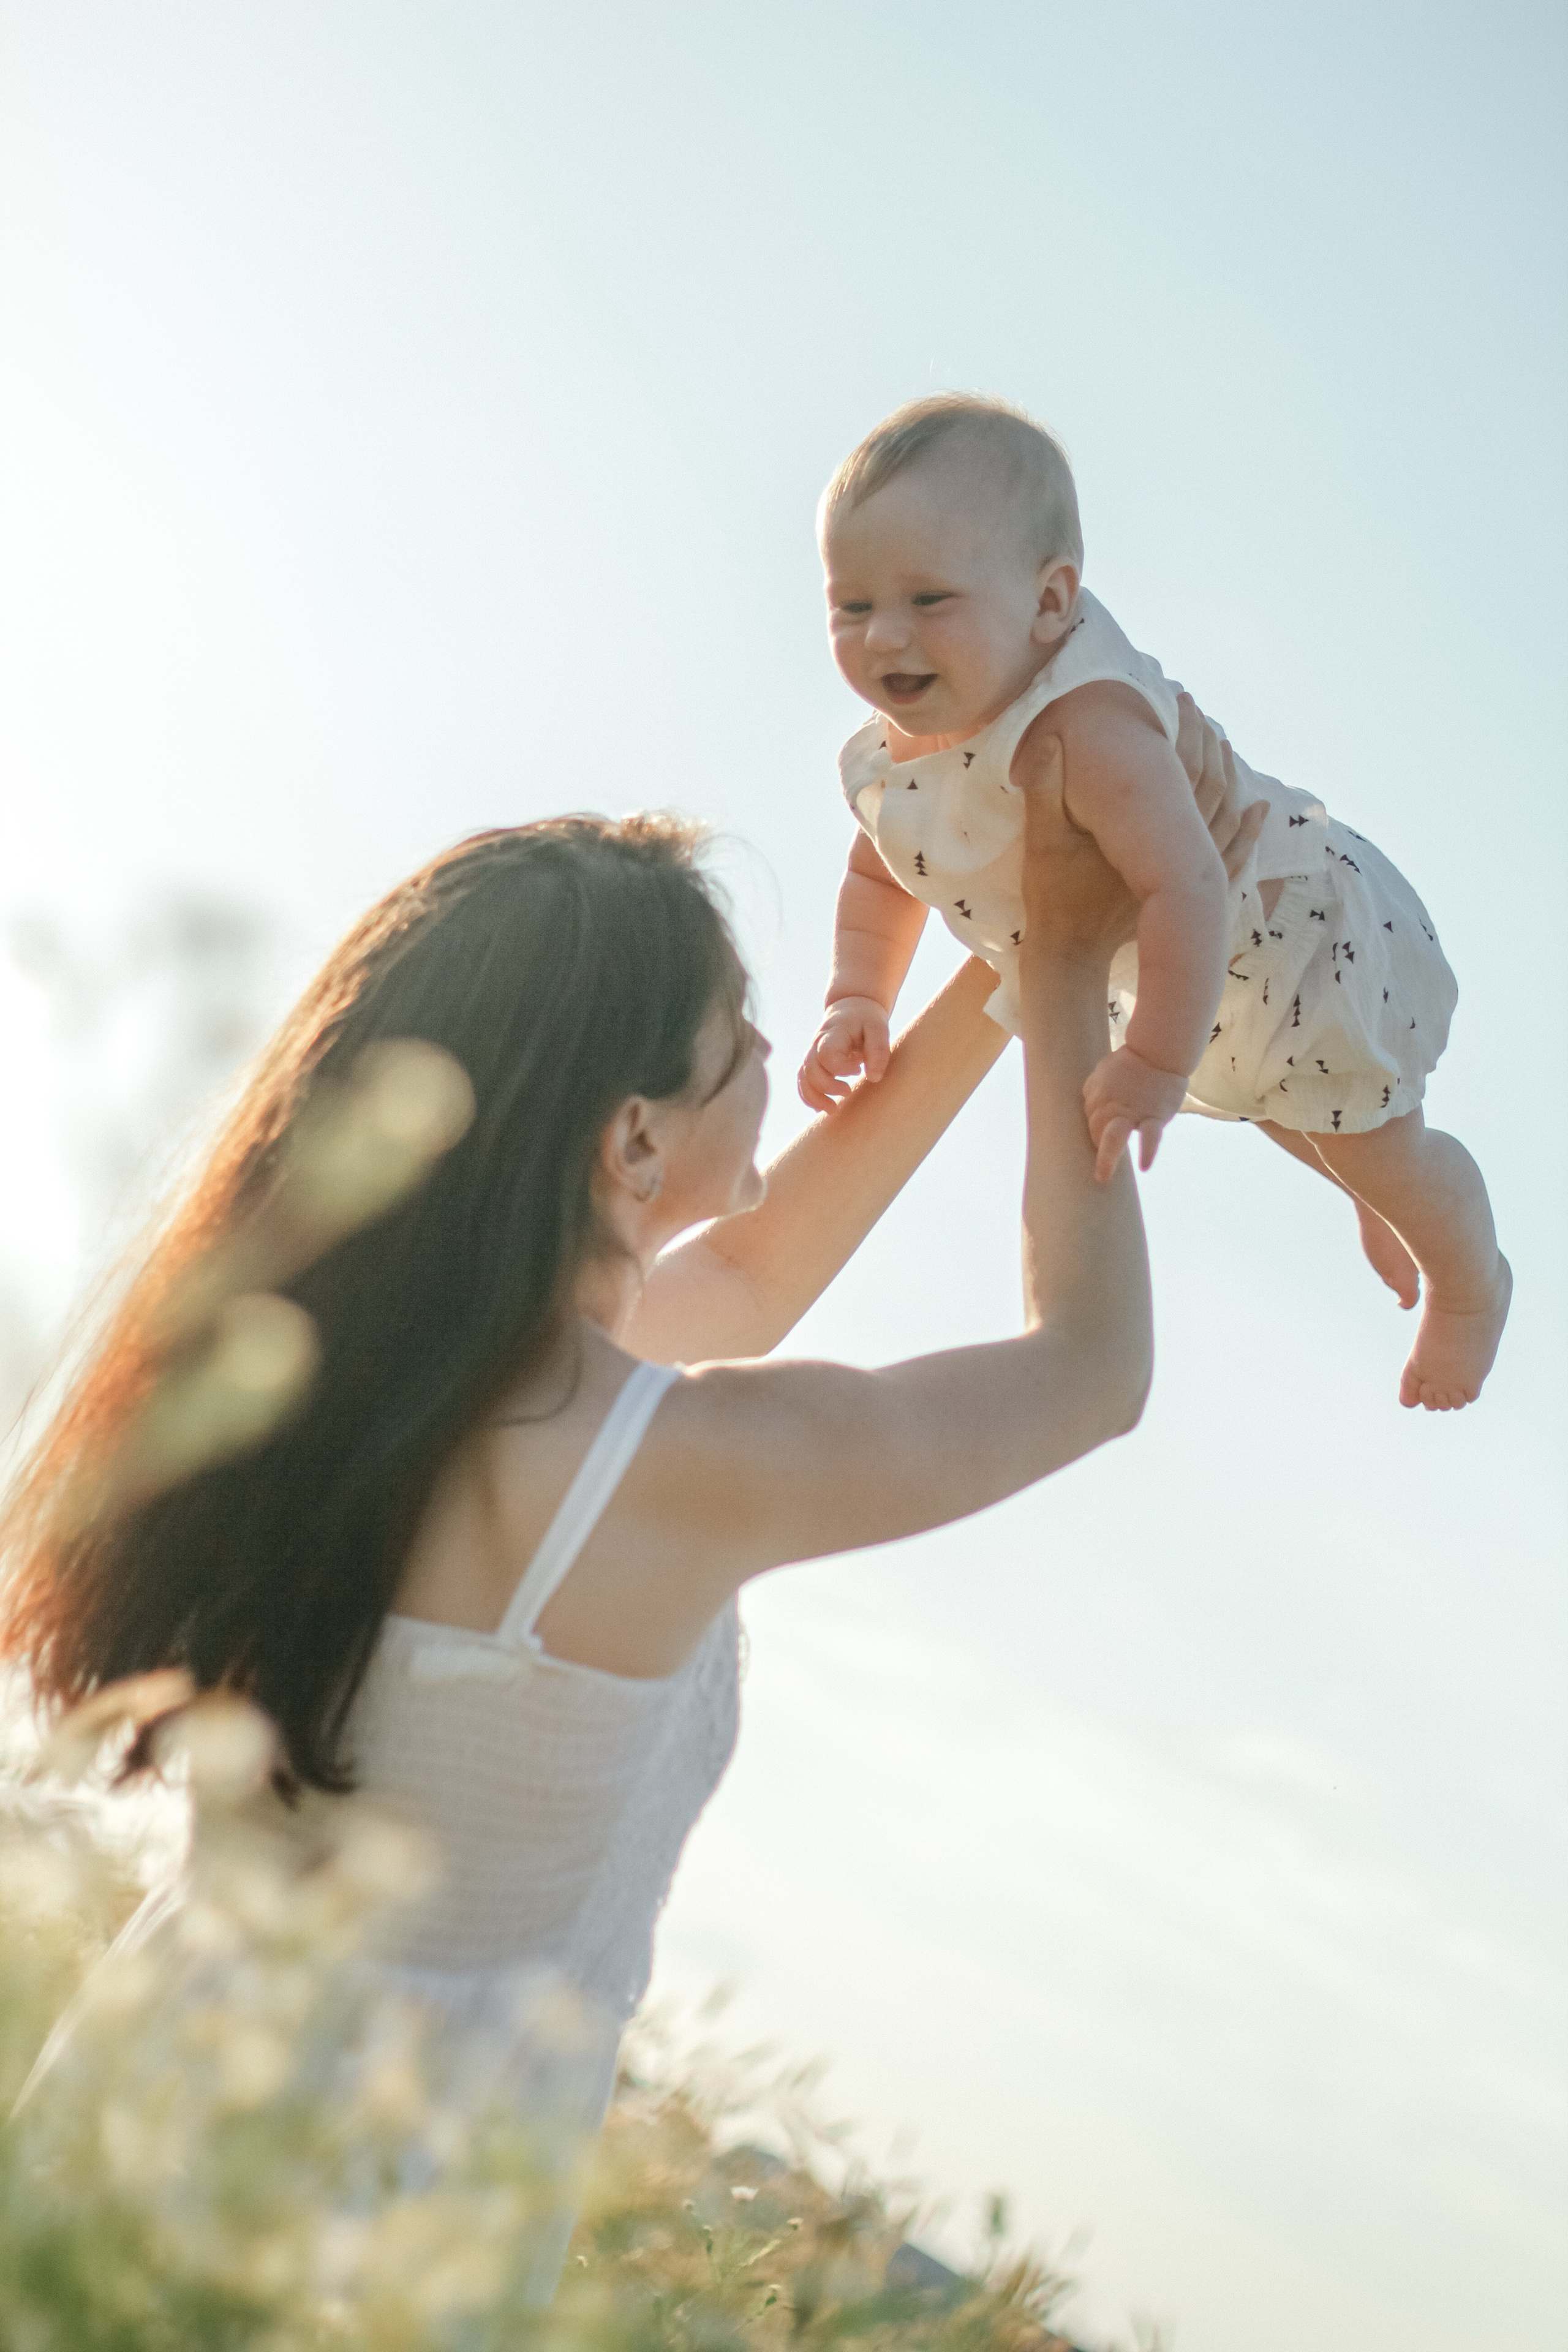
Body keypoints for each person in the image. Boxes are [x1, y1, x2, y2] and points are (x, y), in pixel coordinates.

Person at [0, 734, 1256, 2294]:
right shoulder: (651, 1466)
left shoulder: (376, 1392)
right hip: (353, 2240)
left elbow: (751, 1276)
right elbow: (1089, 1371)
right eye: (738, 1036)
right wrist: (1071, 967)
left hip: (131, 2120)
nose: (773, 1051)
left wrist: (1011, 948)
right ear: (633, 1140)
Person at [799, 393, 1510, 1413]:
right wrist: (856, 996)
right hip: (1201, 984)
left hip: (1289, 949)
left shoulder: (1088, 729)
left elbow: (1189, 882)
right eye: (853, 606)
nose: (885, 636)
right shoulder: (906, 746)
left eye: (929, 599)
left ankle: (1471, 1281)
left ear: (1051, 603)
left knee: (1376, 1144)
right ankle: (1363, 1173)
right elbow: (881, 869)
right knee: (1287, 1117)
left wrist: (1155, 1063)